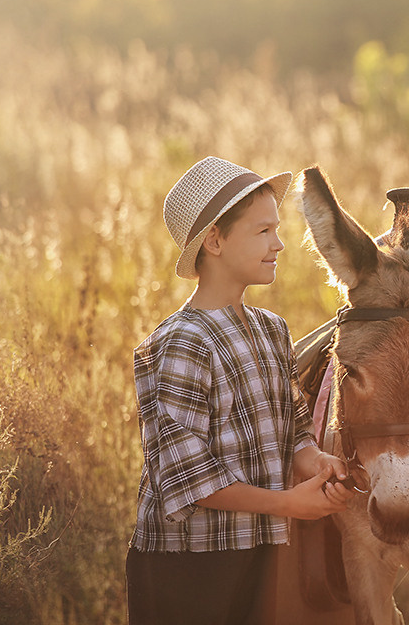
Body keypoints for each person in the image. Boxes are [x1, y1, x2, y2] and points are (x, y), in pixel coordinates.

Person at [127, 156, 352, 625]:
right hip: (187, 563)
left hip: (257, 548)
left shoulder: (272, 331)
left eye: (277, 229)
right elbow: (188, 478)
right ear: (214, 240)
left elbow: (292, 433)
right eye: (263, 231)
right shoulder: (178, 343)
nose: (280, 243)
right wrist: (290, 504)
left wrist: (317, 463)